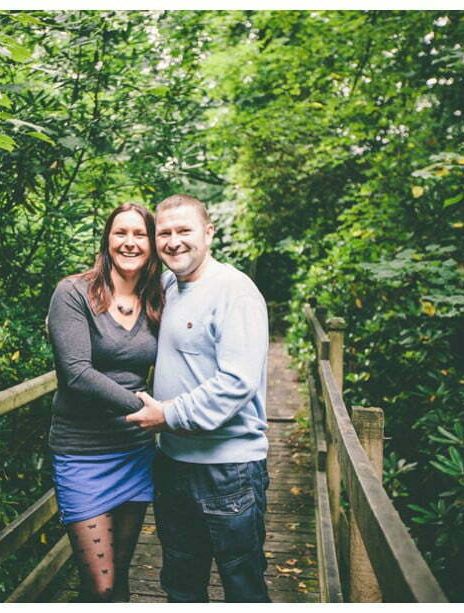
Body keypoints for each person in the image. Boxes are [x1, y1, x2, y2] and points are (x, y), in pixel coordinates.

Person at [125, 194, 270, 603]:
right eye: (164, 233)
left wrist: (167, 414)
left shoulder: (234, 292)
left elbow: (236, 383)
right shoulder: (168, 285)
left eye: (184, 231)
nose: (174, 241)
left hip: (228, 470)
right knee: (181, 584)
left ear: (209, 233)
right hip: (173, 464)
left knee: (242, 585)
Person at [46, 202, 165, 602]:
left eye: (139, 234)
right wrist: (147, 410)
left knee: (121, 577)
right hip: (82, 453)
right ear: (107, 239)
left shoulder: (158, 299)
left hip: (134, 452)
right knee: (100, 585)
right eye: (121, 233)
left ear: (152, 244)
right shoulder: (74, 292)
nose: (129, 242)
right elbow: (77, 374)